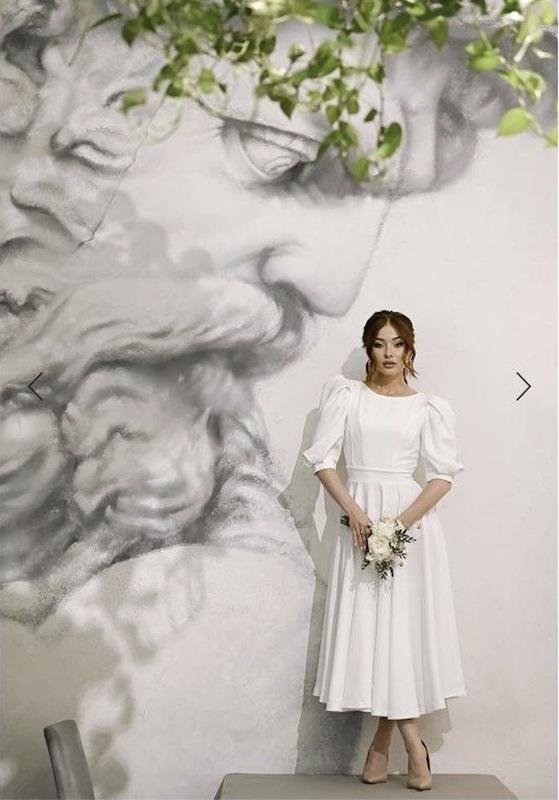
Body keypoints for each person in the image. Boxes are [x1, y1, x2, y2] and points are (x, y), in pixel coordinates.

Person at [302, 309, 466, 791]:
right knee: (374, 634)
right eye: (379, 343)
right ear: (368, 349)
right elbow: (322, 460)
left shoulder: (427, 408)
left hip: (408, 527)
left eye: (398, 344)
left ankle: (386, 744)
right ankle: (410, 746)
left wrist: (398, 525)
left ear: (409, 350)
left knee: (399, 635)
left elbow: (442, 476)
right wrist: (355, 511)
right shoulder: (347, 396)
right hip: (359, 525)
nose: (389, 353)